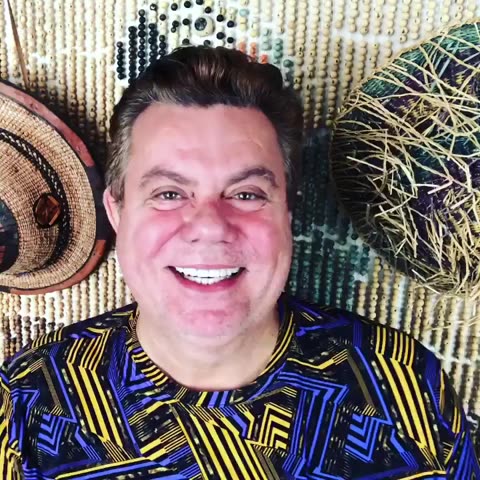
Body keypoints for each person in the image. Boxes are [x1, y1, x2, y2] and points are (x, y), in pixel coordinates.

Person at [0, 45, 478, 479]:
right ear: (117, 213)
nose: (210, 226)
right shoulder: (27, 399)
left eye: (246, 194)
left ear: (287, 214)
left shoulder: (402, 383)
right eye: (169, 193)